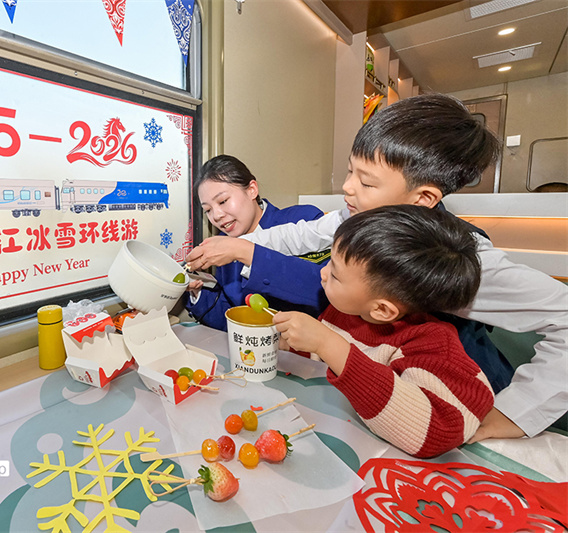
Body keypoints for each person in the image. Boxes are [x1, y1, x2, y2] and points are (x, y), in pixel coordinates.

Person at [188, 94, 568, 442]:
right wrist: (236, 246)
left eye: (366, 181)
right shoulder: (362, 217)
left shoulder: (465, 261)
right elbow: (297, 236)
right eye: (350, 172)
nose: (348, 189)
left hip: (458, 405)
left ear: (423, 198)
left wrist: (514, 414)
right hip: (390, 399)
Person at [275, 205, 495, 458]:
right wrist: (290, 343)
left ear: (382, 309)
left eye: (335, 274)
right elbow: (321, 369)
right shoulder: (346, 312)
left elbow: (435, 433)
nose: (322, 274)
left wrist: (328, 344)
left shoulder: (431, 345)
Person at [184, 155, 329, 331]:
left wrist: (246, 252)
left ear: (252, 190)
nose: (216, 216)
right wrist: (197, 290)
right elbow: (229, 319)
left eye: (223, 201)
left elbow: (324, 293)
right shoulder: (225, 244)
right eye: (208, 210)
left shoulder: (304, 221)